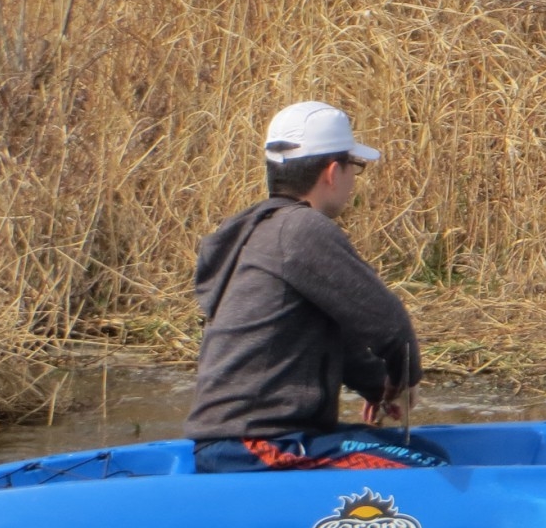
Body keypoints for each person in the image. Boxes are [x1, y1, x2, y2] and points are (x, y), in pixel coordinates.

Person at [187, 101, 449, 472]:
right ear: (332, 172)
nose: (353, 179)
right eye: (354, 166)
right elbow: (389, 323)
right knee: (428, 468)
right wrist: (405, 380)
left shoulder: (261, 231)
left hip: (248, 442)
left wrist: (378, 385)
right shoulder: (302, 230)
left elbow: (334, 335)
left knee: (423, 451)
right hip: (255, 444)